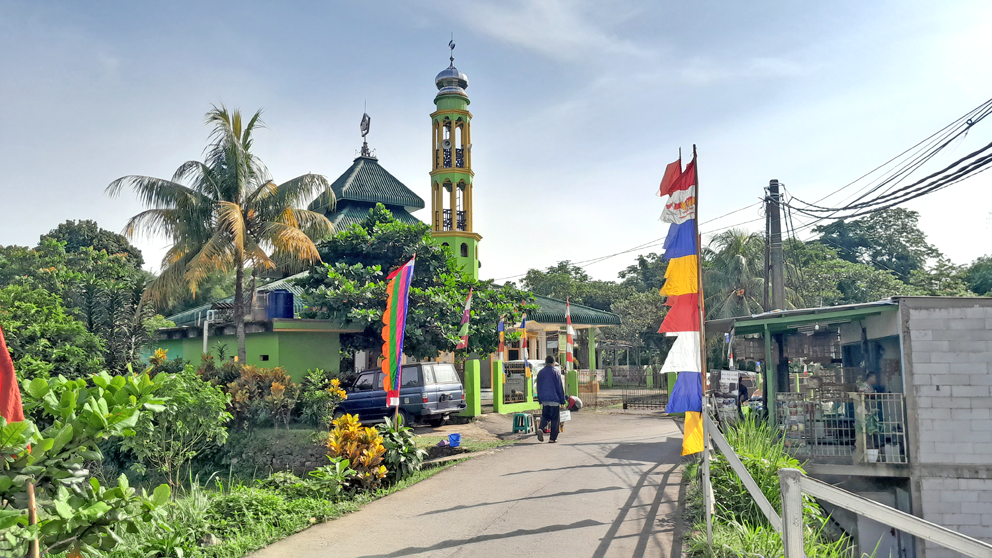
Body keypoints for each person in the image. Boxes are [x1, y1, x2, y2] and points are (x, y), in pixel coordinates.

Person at [535, 355, 566, 443]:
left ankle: (541, 428)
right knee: (555, 419)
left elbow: (538, 386)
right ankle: (552, 438)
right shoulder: (556, 372)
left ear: (545, 362)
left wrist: (540, 398)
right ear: (553, 363)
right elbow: (559, 386)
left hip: (544, 399)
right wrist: (562, 399)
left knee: (545, 416)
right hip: (554, 399)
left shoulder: (540, 372)